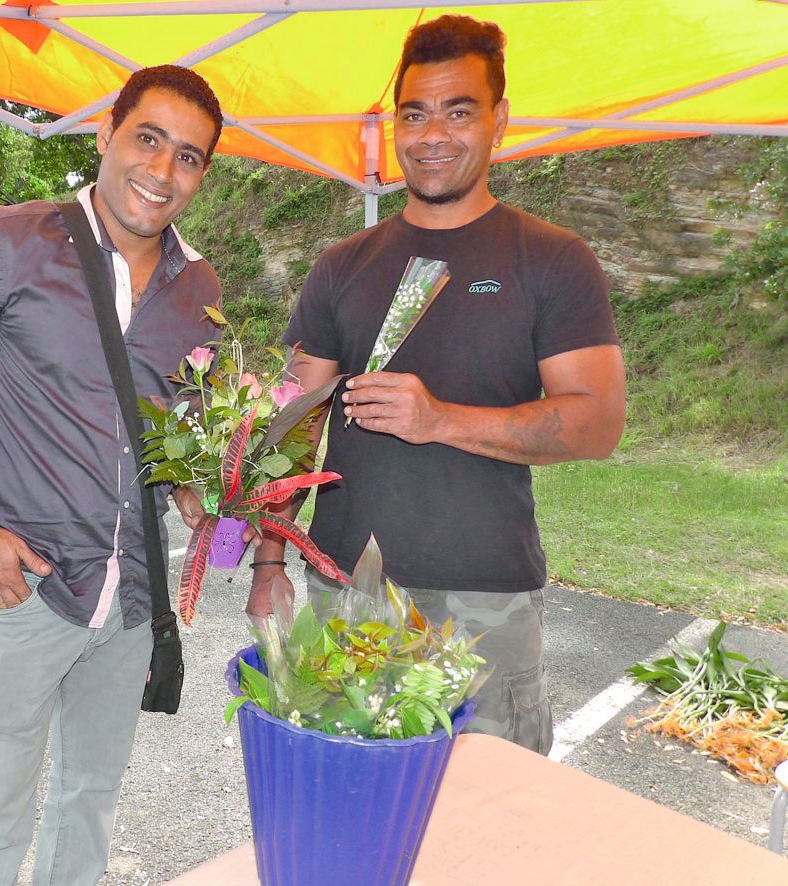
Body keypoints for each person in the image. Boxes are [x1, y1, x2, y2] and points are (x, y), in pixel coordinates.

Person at [247, 15, 626, 756]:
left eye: (458, 111)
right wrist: (268, 561)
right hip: (340, 590)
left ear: (499, 121)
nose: (431, 135)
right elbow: (288, 427)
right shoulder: (342, 264)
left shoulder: (550, 258)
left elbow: (595, 424)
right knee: (351, 804)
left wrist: (441, 419)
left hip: (481, 595)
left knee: (488, 820)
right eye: (413, 114)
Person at [0, 65, 223, 885]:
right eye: (148, 139)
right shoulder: (4, 242)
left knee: (89, 798)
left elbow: (178, 426)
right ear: (105, 136)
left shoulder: (199, 285)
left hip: (134, 595)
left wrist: (196, 482)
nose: (162, 170)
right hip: (26, 584)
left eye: (188, 157)